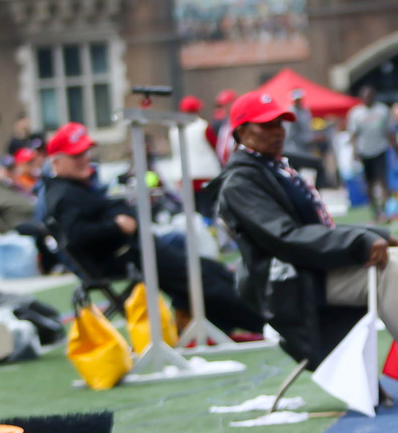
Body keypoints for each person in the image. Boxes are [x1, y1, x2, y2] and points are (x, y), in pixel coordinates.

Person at [212, 92, 398, 406]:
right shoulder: (240, 181)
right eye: (267, 125)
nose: (278, 131)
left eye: (280, 123)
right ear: (241, 133)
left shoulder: (272, 167)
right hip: (290, 285)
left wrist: (372, 233)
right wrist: (359, 242)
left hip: (311, 268)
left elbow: (316, 227)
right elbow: (285, 237)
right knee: (391, 271)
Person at [44, 122, 265, 337]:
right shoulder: (65, 195)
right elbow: (79, 236)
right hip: (123, 257)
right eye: (75, 155)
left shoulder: (74, 187)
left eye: (85, 153)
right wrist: (116, 226)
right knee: (199, 279)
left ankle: (232, 321)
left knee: (208, 270)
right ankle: (260, 321)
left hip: (132, 248)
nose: (84, 159)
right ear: (56, 161)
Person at [170, 96, 223, 217]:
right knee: (207, 211)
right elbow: (216, 147)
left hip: (183, 176)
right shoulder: (203, 126)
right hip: (205, 175)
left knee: (191, 213)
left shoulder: (174, 129)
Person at [346, 85, 393, 222]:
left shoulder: (383, 110)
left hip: (380, 149)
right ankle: (376, 211)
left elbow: (389, 131)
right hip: (364, 152)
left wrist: (394, 149)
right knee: (369, 184)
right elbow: (353, 134)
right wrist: (354, 152)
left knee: (383, 181)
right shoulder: (356, 113)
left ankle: (386, 211)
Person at [282, 89, 327, 186]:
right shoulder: (291, 112)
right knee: (315, 166)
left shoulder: (305, 111)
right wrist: (310, 139)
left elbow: (307, 130)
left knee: (305, 175)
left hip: (306, 150)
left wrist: (315, 136)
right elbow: (291, 135)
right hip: (294, 150)